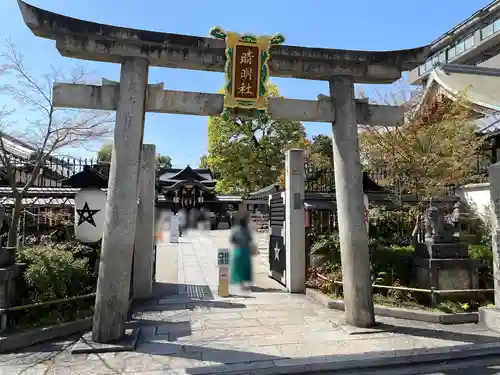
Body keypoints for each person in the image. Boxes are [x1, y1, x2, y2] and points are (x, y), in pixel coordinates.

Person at [229, 214, 254, 291]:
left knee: (238, 268)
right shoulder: (247, 231)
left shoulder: (235, 230)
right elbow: (250, 240)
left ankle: (241, 283)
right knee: (245, 267)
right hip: (245, 250)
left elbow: (232, 240)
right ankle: (243, 283)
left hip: (238, 250)